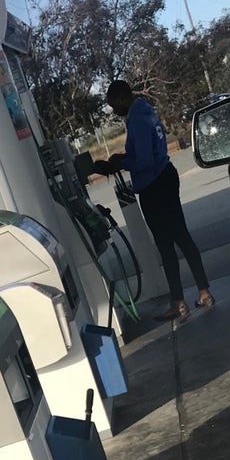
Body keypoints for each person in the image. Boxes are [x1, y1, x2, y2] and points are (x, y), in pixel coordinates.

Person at [93, 79, 213, 322]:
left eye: (114, 105)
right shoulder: (145, 111)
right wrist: (124, 158)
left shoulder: (137, 119)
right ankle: (204, 292)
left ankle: (178, 303)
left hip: (154, 185)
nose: (114, 111)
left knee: (166, 245)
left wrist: (120, 163)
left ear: (122, 98)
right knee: (182, 237)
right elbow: (147, 151)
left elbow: (145, 161)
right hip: (165, 176)